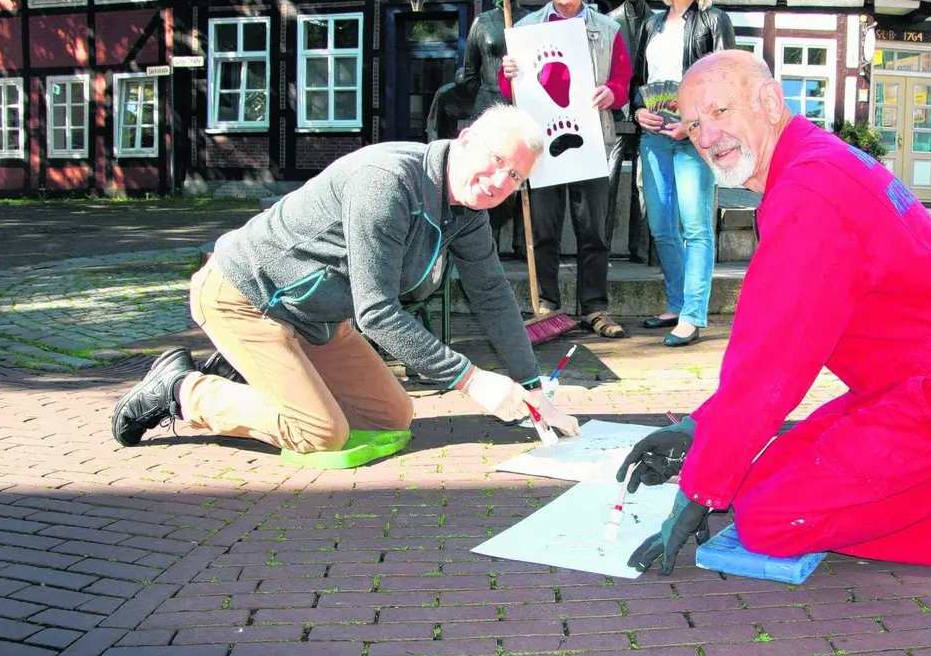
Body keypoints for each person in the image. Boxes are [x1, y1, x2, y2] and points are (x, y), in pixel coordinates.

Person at [617, 51, 931, 576]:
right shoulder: (809, 164)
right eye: (694, 125)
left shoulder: (810, 191)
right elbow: (782, 350)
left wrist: (696, 491)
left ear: (770, 101)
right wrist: (696, 433)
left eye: (719, 112)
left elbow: (770, 364)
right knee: (750, 486)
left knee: (767, 521)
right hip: (908, 389)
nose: (708, 136)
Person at [110, 105, 581, 452]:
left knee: (391, 417)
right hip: (245, 295)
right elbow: (376, 313)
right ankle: (179, 389)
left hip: (315, 316)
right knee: (321, 433)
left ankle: (246, 371)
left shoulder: (468, 211)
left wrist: (533, 388)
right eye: (497, 160)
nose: (499, 181)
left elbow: (493, 295)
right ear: (463, 140)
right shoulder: (389, 180)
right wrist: (473, 381)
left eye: (515, 176)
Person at [499, 0, 634, 339]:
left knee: (593, 229)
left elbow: (623, 80)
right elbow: (514, 91)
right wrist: (507, 73)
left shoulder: (608, 29)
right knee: (544, 228)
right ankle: (548, 306)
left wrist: (612, 92)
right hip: (542, 146)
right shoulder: (525, 30)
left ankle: (595, 307)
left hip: (590, 142)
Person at [632, 0, 735, 346]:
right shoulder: (651, 25)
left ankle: (693, 314)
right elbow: (639, 83)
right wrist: (639, 111)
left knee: (695, 227)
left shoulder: (713, 20)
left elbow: (727, 81)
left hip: (695, 136)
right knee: (661, 225)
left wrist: (693, 124)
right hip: (653, 135)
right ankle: (677, 303)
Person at [460, 0, 533, 258]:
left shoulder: (531, 20)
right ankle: (488, 242)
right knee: (490, 171)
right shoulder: (482, 23)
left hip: (521, 106)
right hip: (489, 103)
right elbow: (469, 71)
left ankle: (521, 242)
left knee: (522, 172)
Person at [605, 0, 657, 264]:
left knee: (643, 182)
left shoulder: (658, 22)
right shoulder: (610, 22)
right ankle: (605, 247)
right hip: (616, 112)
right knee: (608, 180)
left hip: (648, 110)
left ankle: (641, 250)